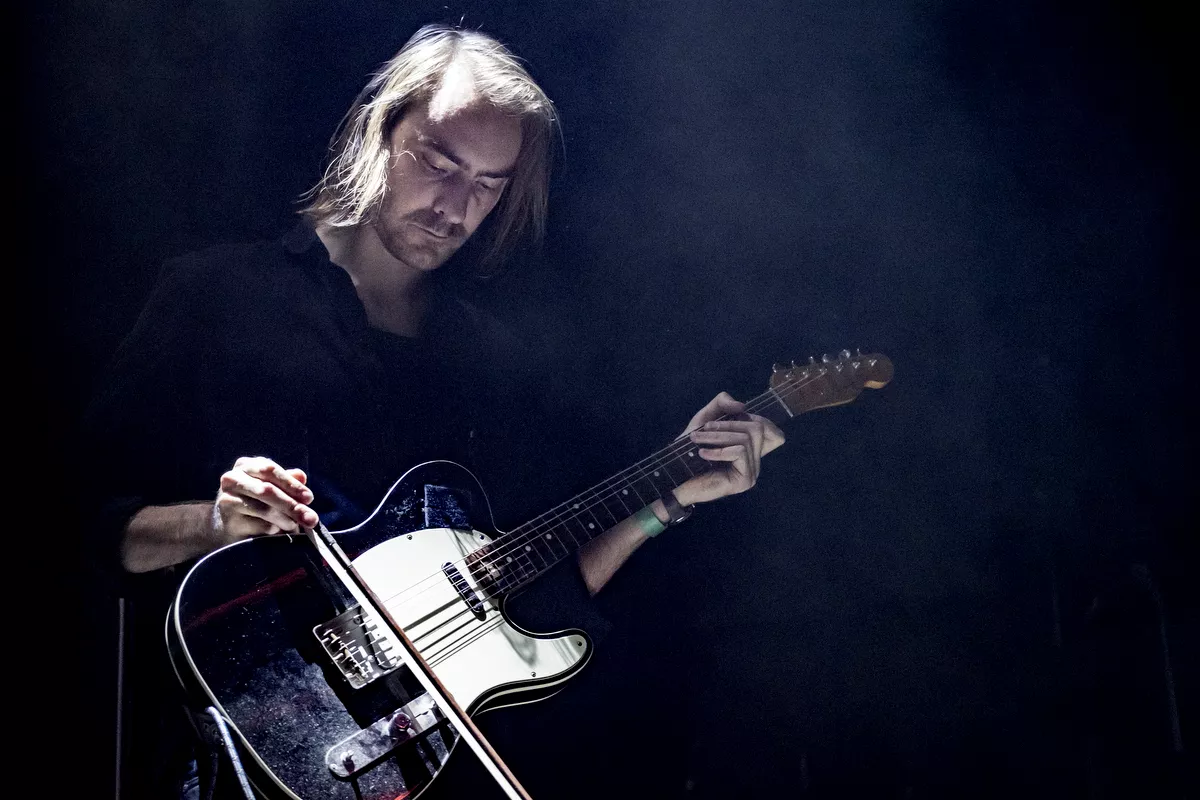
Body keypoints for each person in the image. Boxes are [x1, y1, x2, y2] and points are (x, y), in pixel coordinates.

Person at [86, 23, 784, 799]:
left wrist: (669, 497)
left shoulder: (490, 364)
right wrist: (212, 522)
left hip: (413, 771)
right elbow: (80, 525)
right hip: (218, 758)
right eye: (438, 162)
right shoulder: (215, 299)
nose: (455, 207)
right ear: (378, 131)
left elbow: (530, 597)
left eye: (488, 183)